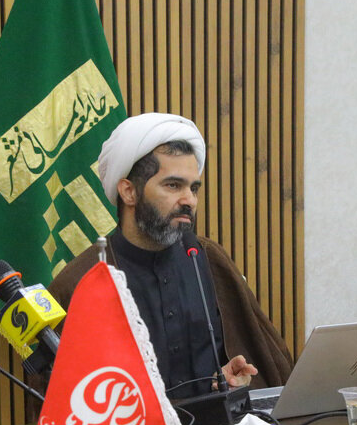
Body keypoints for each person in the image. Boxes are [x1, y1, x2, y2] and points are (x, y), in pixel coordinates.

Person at [48, 113, 293, 401]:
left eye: (194, 188)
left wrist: (225, 381)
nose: (189, 200)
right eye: (173, 185)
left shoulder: (207, 259)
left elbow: (260, 357)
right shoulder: (81, 281)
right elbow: (64, 401)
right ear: (129, 192)